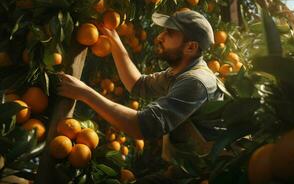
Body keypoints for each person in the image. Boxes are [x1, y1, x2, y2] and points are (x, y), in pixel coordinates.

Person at [57, 9, 224, 183]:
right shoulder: (180, 73)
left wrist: (84, 93)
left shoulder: (196, 82)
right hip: (185, 171)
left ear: (190, 47)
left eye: (170, 33)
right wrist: (115, 40)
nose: (160, 36)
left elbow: (141, 126)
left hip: (209, 176)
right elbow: (138, 85)